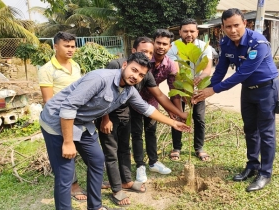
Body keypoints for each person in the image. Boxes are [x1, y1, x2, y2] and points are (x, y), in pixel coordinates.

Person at [40, 52, 190, 210]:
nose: (135, 76)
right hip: (56, 120)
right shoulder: (100, 78)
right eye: (134, 70)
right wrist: (68, 142)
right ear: (125, 65)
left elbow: (147, 109)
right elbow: (68, 107)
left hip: (81, 122)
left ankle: (95, 207)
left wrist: (174, 123)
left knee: (97, 161)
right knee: (65, 173)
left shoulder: (129, 90)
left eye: (141, 75)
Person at [192, 8, 279, 192]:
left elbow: (242, 73)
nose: (233, 30)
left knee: (266, 131)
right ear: (222, 28)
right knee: (249, 128)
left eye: (236, 25)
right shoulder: (226, 43)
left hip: (266, 89)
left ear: (245, 24)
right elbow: (221, 69)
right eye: (228, 27)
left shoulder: (258, 43)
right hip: (247, 90)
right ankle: (252, 165)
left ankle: (265, 173)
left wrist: (214, 90)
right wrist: (207, 88)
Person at [96, 36, 187, 206]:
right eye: (144, 51)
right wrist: (105, 118)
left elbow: (157, 96)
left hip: (125, 113)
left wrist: (178, 116)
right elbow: (103, 96)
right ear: (133, 52)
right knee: (111, 152)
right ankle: (116, 190)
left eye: (150, 52)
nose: (147, 55)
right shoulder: (116, 65)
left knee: (125, 149)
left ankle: (127, 181)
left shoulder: (145, 73)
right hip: (107, 114)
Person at [38, 31, 87, 202]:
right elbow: (48, 100)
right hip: (57, 118)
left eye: (73, 46)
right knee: (64, 154)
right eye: (66, 46)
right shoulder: (47, 70)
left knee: (73, 151)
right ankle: (72, 186)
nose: (71, 49)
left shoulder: (76, 66)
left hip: (76, 117)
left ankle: (73, 184)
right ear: (55, 46)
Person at [131, 29, 183, 182]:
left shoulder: (170, 65)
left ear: (170, 46)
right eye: (158, 43)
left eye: (165, 44)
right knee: (136, 134)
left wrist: (177, 112)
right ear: (153, 43)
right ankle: (140, 165)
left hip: (153, 102)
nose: (161, 46)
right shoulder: (143, 58)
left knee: (151, 132)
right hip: (133, 101)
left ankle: (153, 162)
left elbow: (174, 90)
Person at [167, 18, 212, 161]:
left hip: (198, 88)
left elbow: (207, 69)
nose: (189, 34)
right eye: (185, 31)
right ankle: (176, 148)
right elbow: (175, 70)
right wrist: (186, 88)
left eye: (192, 31)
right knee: (178, 115)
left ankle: (199, 148)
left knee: (199, 118)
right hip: (179, 86)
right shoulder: (173, 47)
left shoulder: (205, 47)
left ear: (197, 32)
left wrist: (198, 81)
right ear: (179, 31)